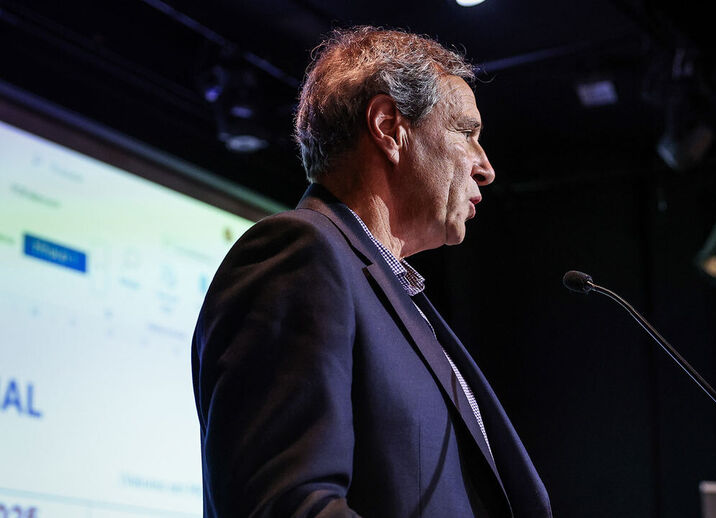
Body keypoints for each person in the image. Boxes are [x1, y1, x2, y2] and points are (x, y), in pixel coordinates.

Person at [192, 27, 551, 518]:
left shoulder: (393, 293)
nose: (484, 166)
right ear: (388, 127)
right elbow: (289, 506)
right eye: (466, 132)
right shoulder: (300, 254)